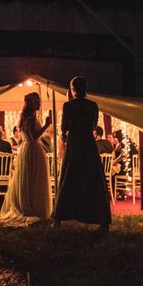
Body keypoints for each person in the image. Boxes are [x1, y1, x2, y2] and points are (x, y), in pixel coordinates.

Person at [53, 76, 111, 235]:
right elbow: (93, 125)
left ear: (72, 89)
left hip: (74, 145)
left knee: (68, 178)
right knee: (93, 179)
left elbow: (64, 128)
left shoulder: (68, 106)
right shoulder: (93, 106)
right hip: (88, 144)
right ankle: (103, 221)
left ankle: (58, 219)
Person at [0, 92, 53, 227]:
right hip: (32, 149)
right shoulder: (30, 119)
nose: (39, 104)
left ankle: (29, 204)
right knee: (33, 179)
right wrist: (46, 125)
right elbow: (33, 136)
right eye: (37, 102)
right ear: (32, 103)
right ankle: (32, 206)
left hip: (28, 150)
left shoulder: (26, 117)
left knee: (29, 179)